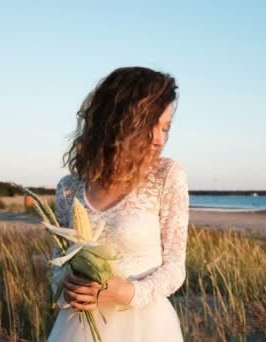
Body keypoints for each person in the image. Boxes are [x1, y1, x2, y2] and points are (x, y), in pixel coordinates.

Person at [47, 66, 189, 341]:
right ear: (120, 123)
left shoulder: (167, 175)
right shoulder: (69, 188)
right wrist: (67, 289)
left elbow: (175, 269)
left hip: (147, 327)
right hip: (80, 327)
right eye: (152, 126)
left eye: (166, 128)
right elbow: (58, 265)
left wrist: (128, 292)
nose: (160, 139)